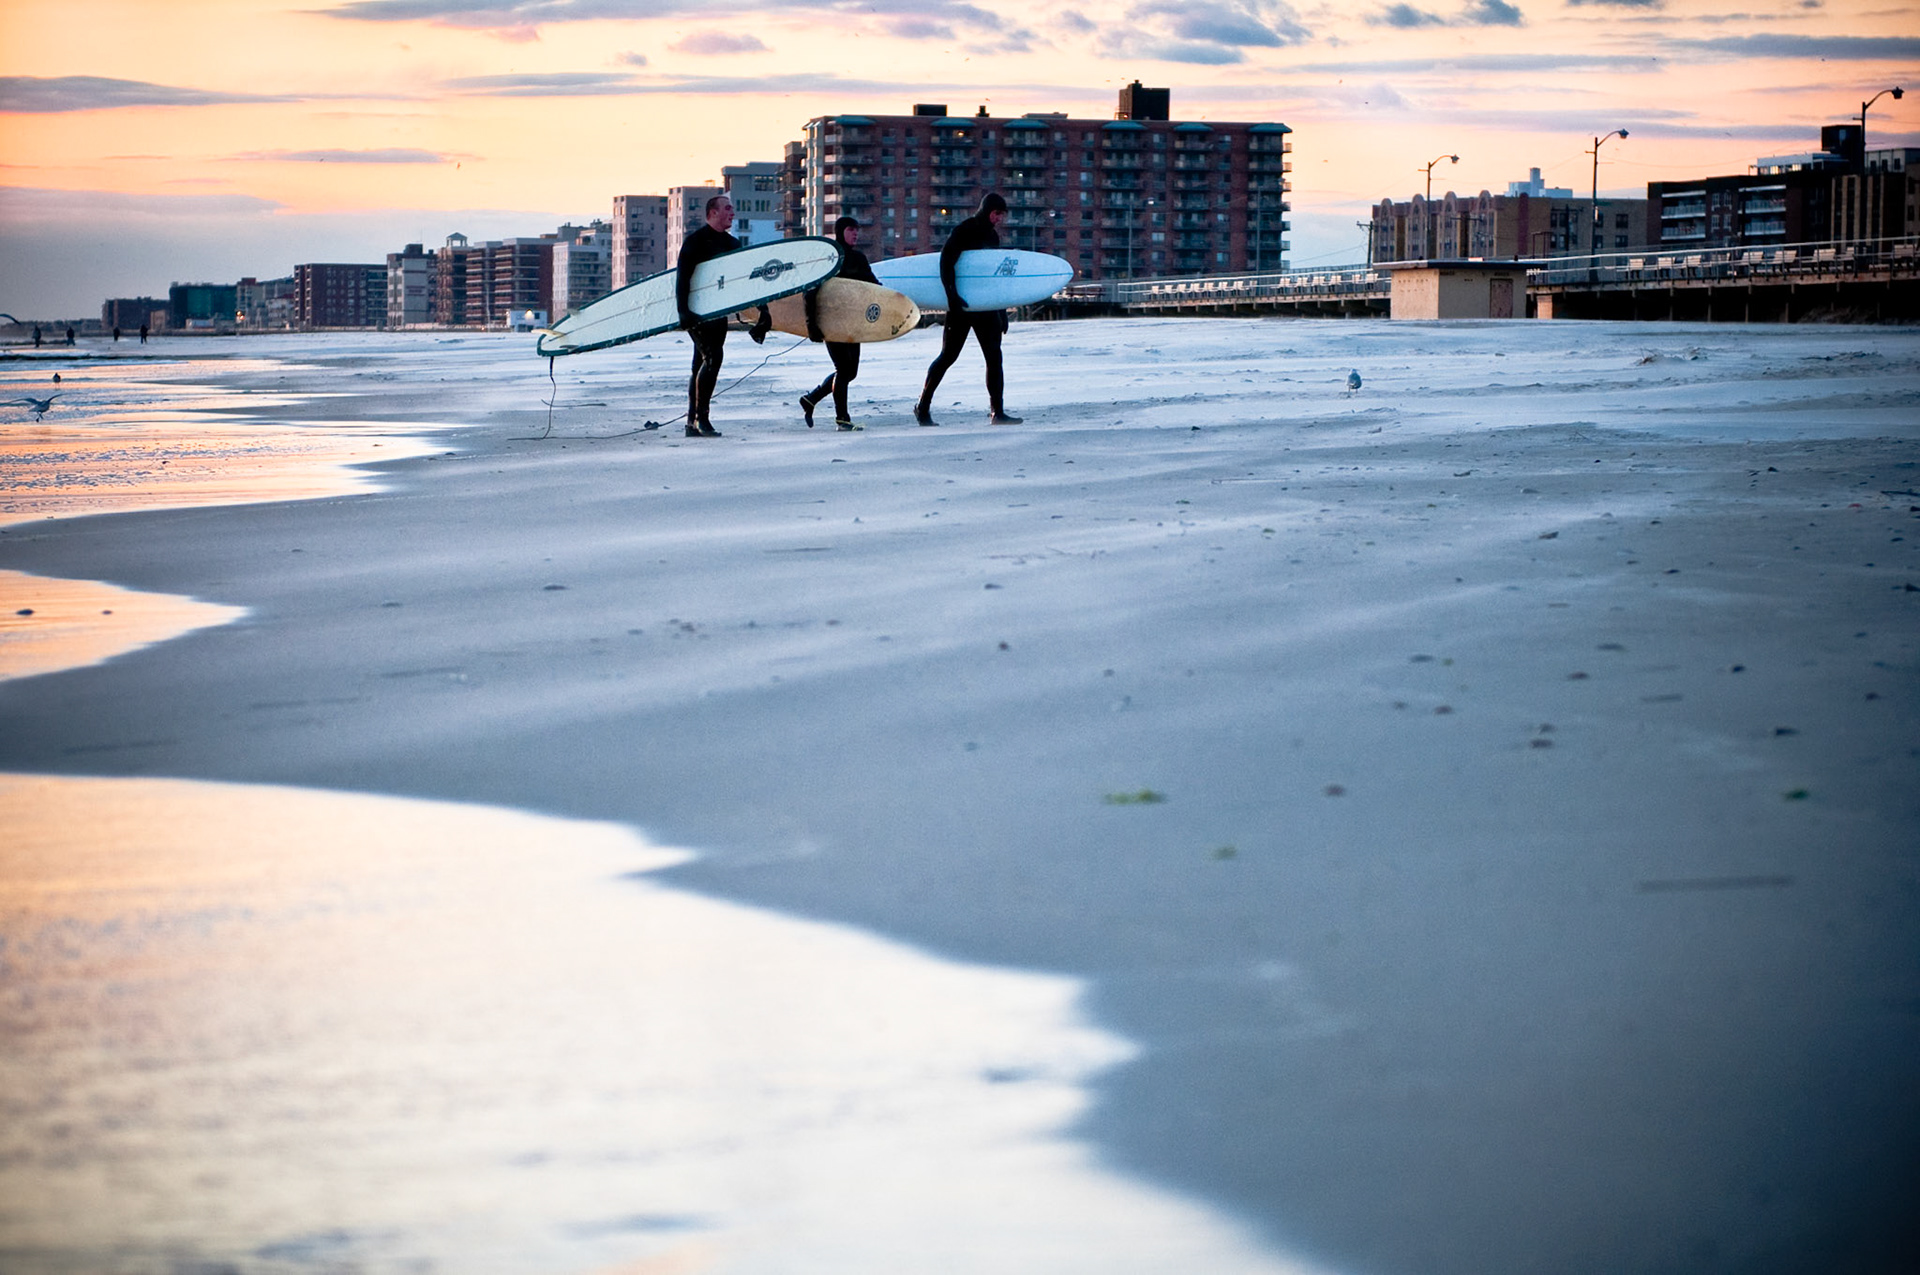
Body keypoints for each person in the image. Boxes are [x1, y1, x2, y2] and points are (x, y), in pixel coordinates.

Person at [914, 191, 1021, 426]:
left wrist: (1001, 310)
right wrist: (952, 297)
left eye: (1001, 215)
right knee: (948, 357)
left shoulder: (993, 238)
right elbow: (946, 262)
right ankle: (922, 407)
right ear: (988, 211)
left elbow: (992, 277)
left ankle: (997, 412)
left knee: (995, 358)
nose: (999, 219)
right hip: (961, 306)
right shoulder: (965, 230)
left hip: (985, 306)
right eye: (997, 214)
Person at [798, 216, 878, 431]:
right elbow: (810, 293)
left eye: (857, 230)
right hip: (831, 322)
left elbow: (874, 287)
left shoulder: (859, 259)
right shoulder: (828, 259)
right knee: (843, 370)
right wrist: (811, 324)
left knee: (851, 372)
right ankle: (842, 419)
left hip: (852, 322)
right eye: (851, 229)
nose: (856, 233)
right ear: (841, 231)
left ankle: (811, 399)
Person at [675, 194, 742, 438]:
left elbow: (742, 282)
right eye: (727, 208)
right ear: (712, 213)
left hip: (719, 312)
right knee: (713, 358)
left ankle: (692, 422)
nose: (732, 213)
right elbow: (682, 278)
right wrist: (683, 311)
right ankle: (702, 419)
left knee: (699, 364)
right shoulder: (696, 242)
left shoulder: (733, 245)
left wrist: (759, 315)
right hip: (697, 312)